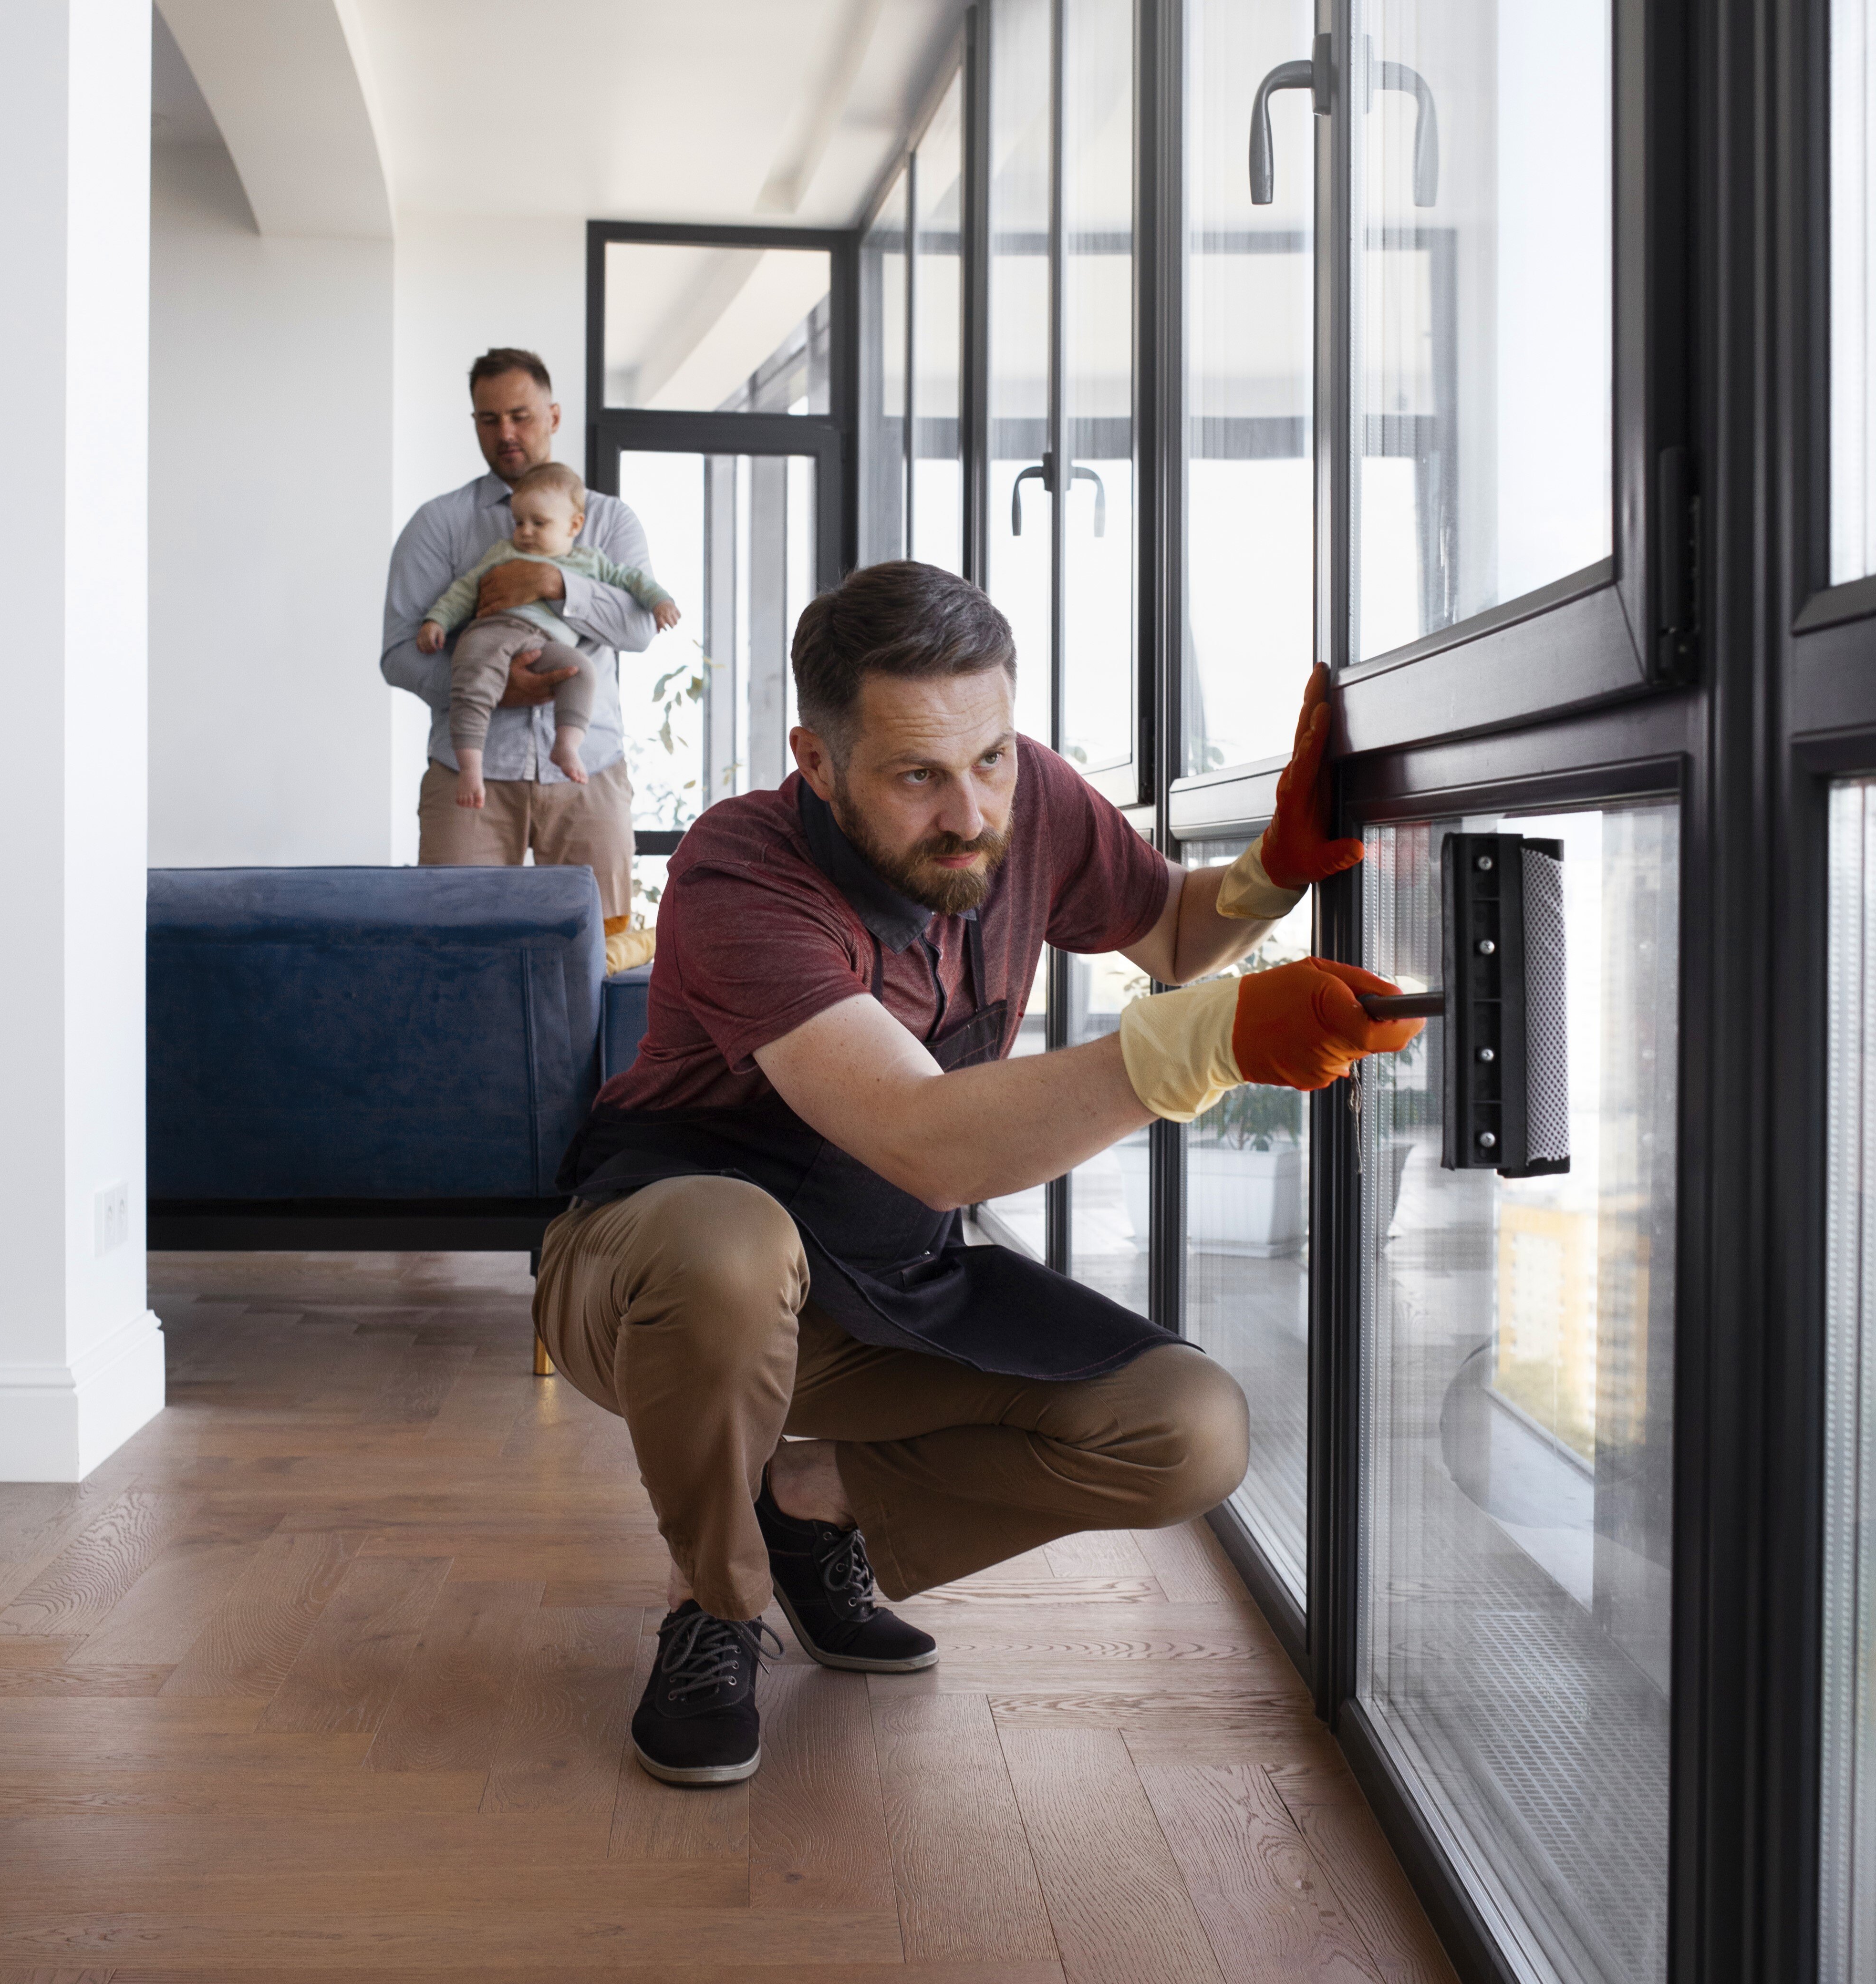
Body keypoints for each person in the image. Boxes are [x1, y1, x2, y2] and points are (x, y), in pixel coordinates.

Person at [534, 561, 1421, 1788]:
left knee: (1189, 1428)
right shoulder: (740, 871)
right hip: (653, 1279)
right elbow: (923, 1135)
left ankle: (806, 1500)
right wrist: (1211, 1039)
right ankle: (716, 1604)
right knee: (732, 1242)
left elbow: (1167, 928)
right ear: (817, 759)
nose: (969, 813)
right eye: (917, 776)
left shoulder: (1028, 799)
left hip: (886, 1282)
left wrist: (1275, 867)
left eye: (991, 758)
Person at [381, 348, 655, 934]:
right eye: (488, 419)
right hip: (468, 778)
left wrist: (555, 582)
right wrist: (494, 689)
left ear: (553, 416)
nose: (506, 433)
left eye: (521, 415)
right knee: (451, 951)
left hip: (590, 771)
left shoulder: (608, 522)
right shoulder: (440, 524)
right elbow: (400, 655)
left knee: (597, 954)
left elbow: (639, 629)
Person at [418, 462, 679, 805]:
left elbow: (634, 581)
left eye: (538, 523)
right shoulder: (504, 553)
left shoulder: (592, 562)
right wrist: (437, 620)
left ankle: (567, 745)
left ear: (574, 525)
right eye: (519, 522)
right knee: (473, 685)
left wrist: (660, 601)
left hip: (545, 645)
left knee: (581, 671)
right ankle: (470, 768)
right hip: (494, 633)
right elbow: (464, 591)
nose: (525, 532)